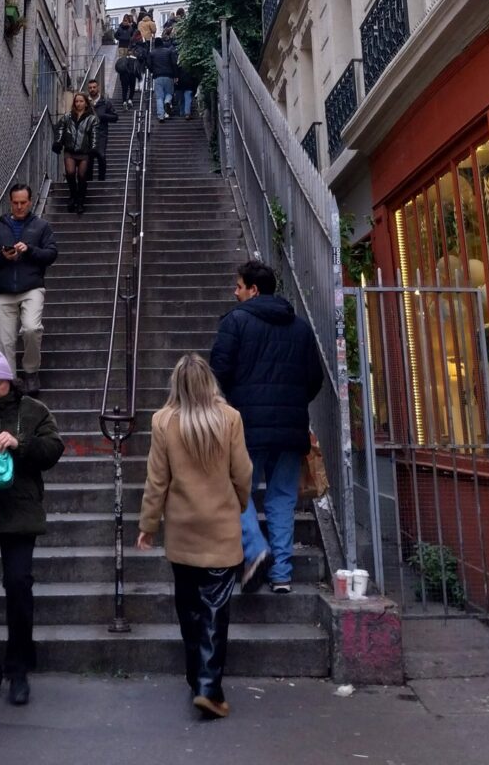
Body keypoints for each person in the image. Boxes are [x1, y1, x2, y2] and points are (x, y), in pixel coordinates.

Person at [136, 354, 252, 720]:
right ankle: (208, 687)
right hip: (220, 529)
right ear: (209, 383)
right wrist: (240, 502)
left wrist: (148, 525)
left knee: (188, 608)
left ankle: (195, 678)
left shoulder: (163, 421)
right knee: (215, 611)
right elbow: (242, 472)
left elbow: (157, 480)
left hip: (183, 531)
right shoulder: (230, 418)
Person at [0, 348, 64, 707]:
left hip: (20, 517)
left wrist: (20, 445)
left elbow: (53, 450)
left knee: (19, 587)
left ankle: (19, 671)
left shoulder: (34, 411)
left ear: (10, 381)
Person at [210, 261, 323, 595]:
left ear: (253, 290)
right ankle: (282, 575)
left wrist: (227, 407)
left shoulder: (235, 322)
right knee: (282, 498)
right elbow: (314, 379)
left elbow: (217, 373)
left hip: (246, 427)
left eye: (239, 286)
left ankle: (256, 549)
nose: (235, 291)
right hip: (290, 429)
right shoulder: (300, 328)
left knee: (237, 492)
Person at [0, 182, 58, 399]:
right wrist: (1, 257)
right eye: (15, 203)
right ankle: (10, 380)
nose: (19, 207)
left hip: (32, 286)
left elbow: (51, 254)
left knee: (32, 328)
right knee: (4, 340)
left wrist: (30, 250)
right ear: (10, 203)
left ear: (30, 202)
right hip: (4, 289)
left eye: (23, 203)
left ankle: (31, 371)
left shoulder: (41, 226)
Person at [52, 91, 98, 215]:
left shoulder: (92, 119)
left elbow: (94, 134)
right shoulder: (67, 116)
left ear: (86, 103)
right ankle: (73, 195)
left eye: (81, 101)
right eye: (76, 101)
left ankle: (80, 201)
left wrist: (93, 148)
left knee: (82, 176)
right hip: (70, 150)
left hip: (84, 152)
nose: (78, 103)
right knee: (70, 173)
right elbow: (60, 129)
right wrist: (58, 142)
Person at [86, 77, 118, 179]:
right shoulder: (85, 102)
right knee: (88, 158)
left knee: (101, 155)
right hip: (87, 134)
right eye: (90, 87)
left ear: (98, 88)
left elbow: (115, 117)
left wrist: (103, 116)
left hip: (101, 134)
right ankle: (89, 181)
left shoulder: (105, 102)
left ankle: (101, 179)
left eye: (94, 87)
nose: (92, 89)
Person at [150, 36, 178, 121]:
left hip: (157, 76)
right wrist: (176, 75)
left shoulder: (152, 53)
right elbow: (174, 63)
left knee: (159, 97)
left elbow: (149, 64)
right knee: (169, 93)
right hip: (169, 76)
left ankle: (161, 116)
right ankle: (167, 101)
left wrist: (153, 71)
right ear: (162, 43)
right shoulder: (169, 52)